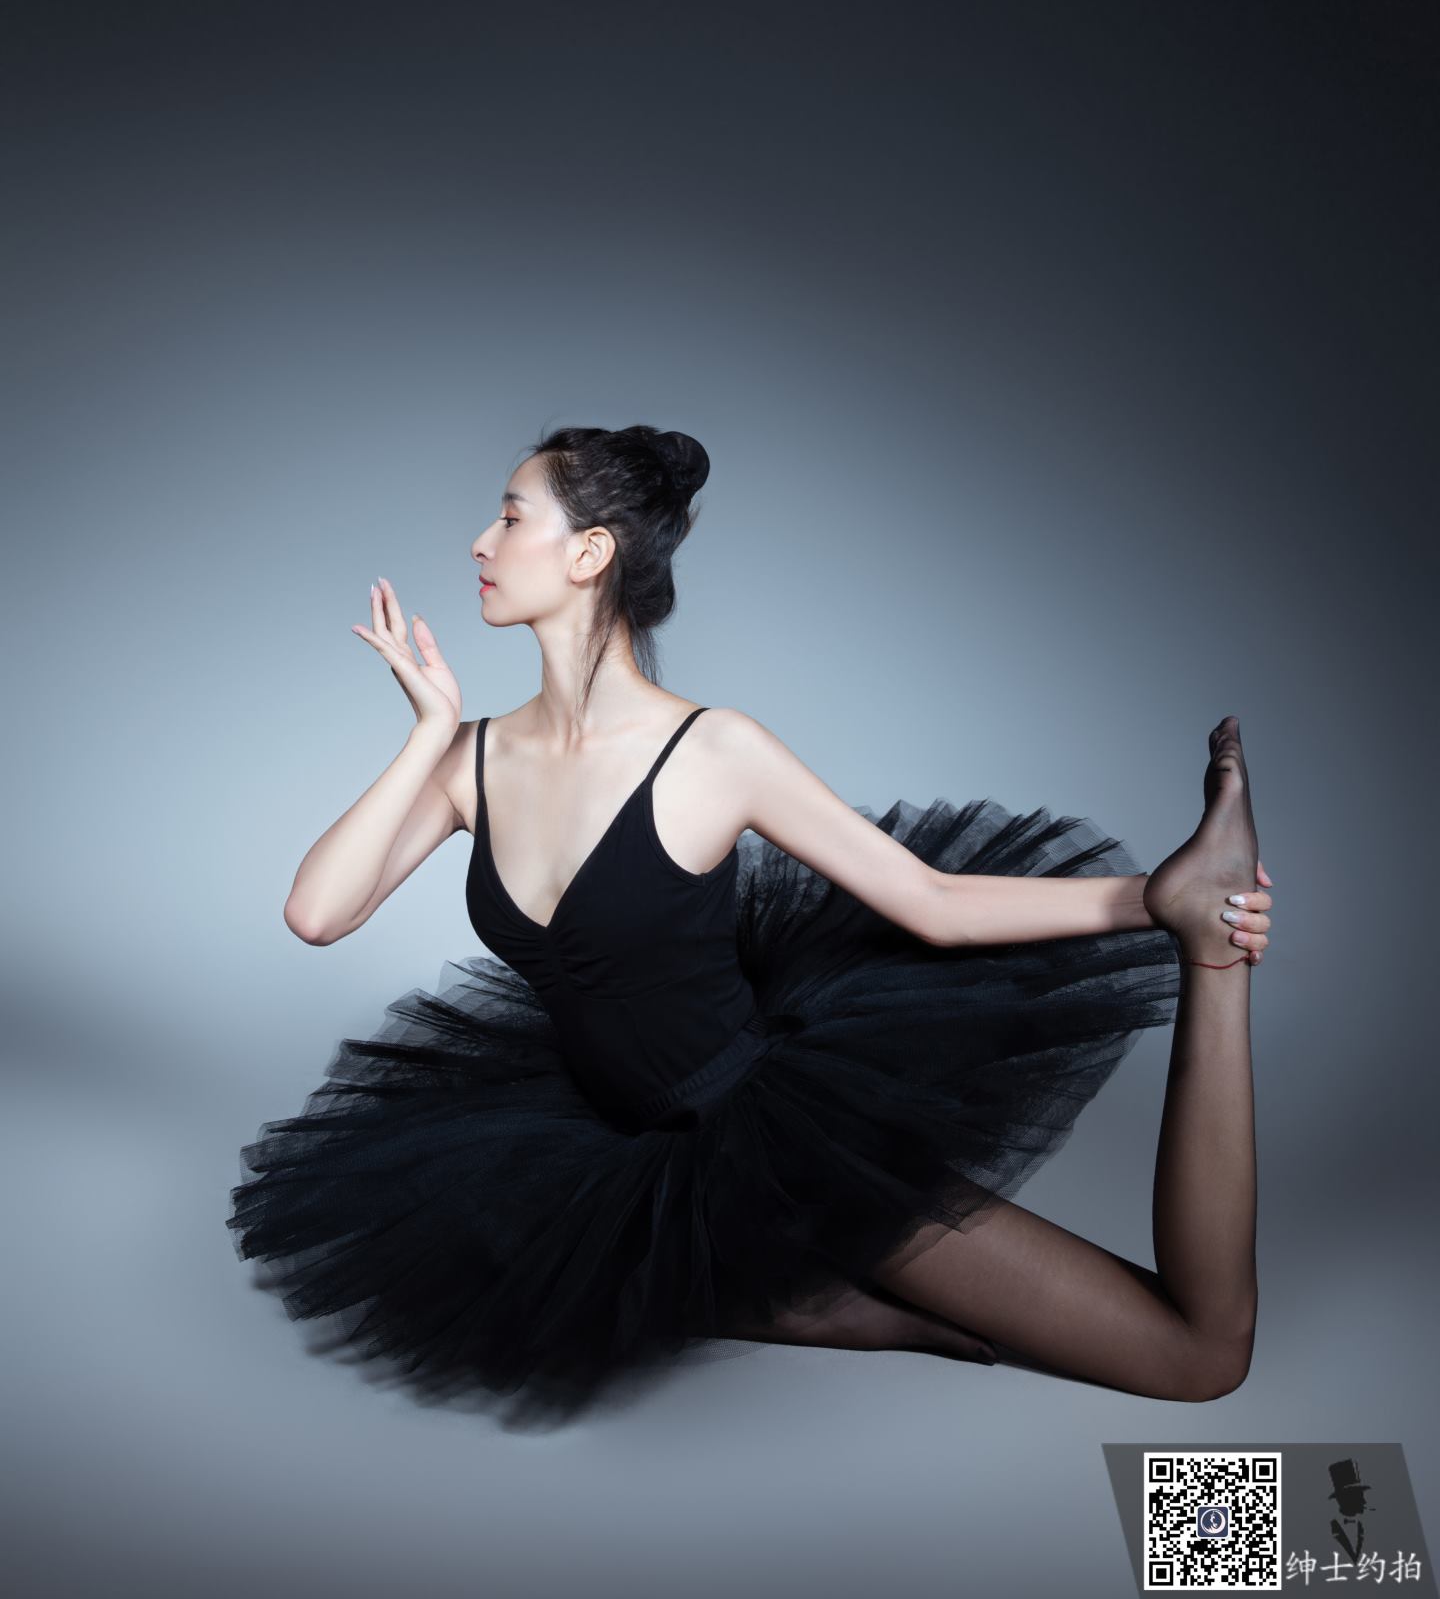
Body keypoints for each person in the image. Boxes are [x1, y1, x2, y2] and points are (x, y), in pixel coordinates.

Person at [227, 422, 1274, 1426]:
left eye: (508, 518)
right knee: (471, 1261)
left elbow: (934, 903)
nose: (478, 543)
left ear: (590, 554)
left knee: (1196, 1357)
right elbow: (318, 913)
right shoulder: (471, 759)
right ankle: (792, 1297)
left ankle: (1210, 954)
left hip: (771, 1139)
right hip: (599, 1144)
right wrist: (425, 735)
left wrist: (1154, 901)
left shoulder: (713, 752)